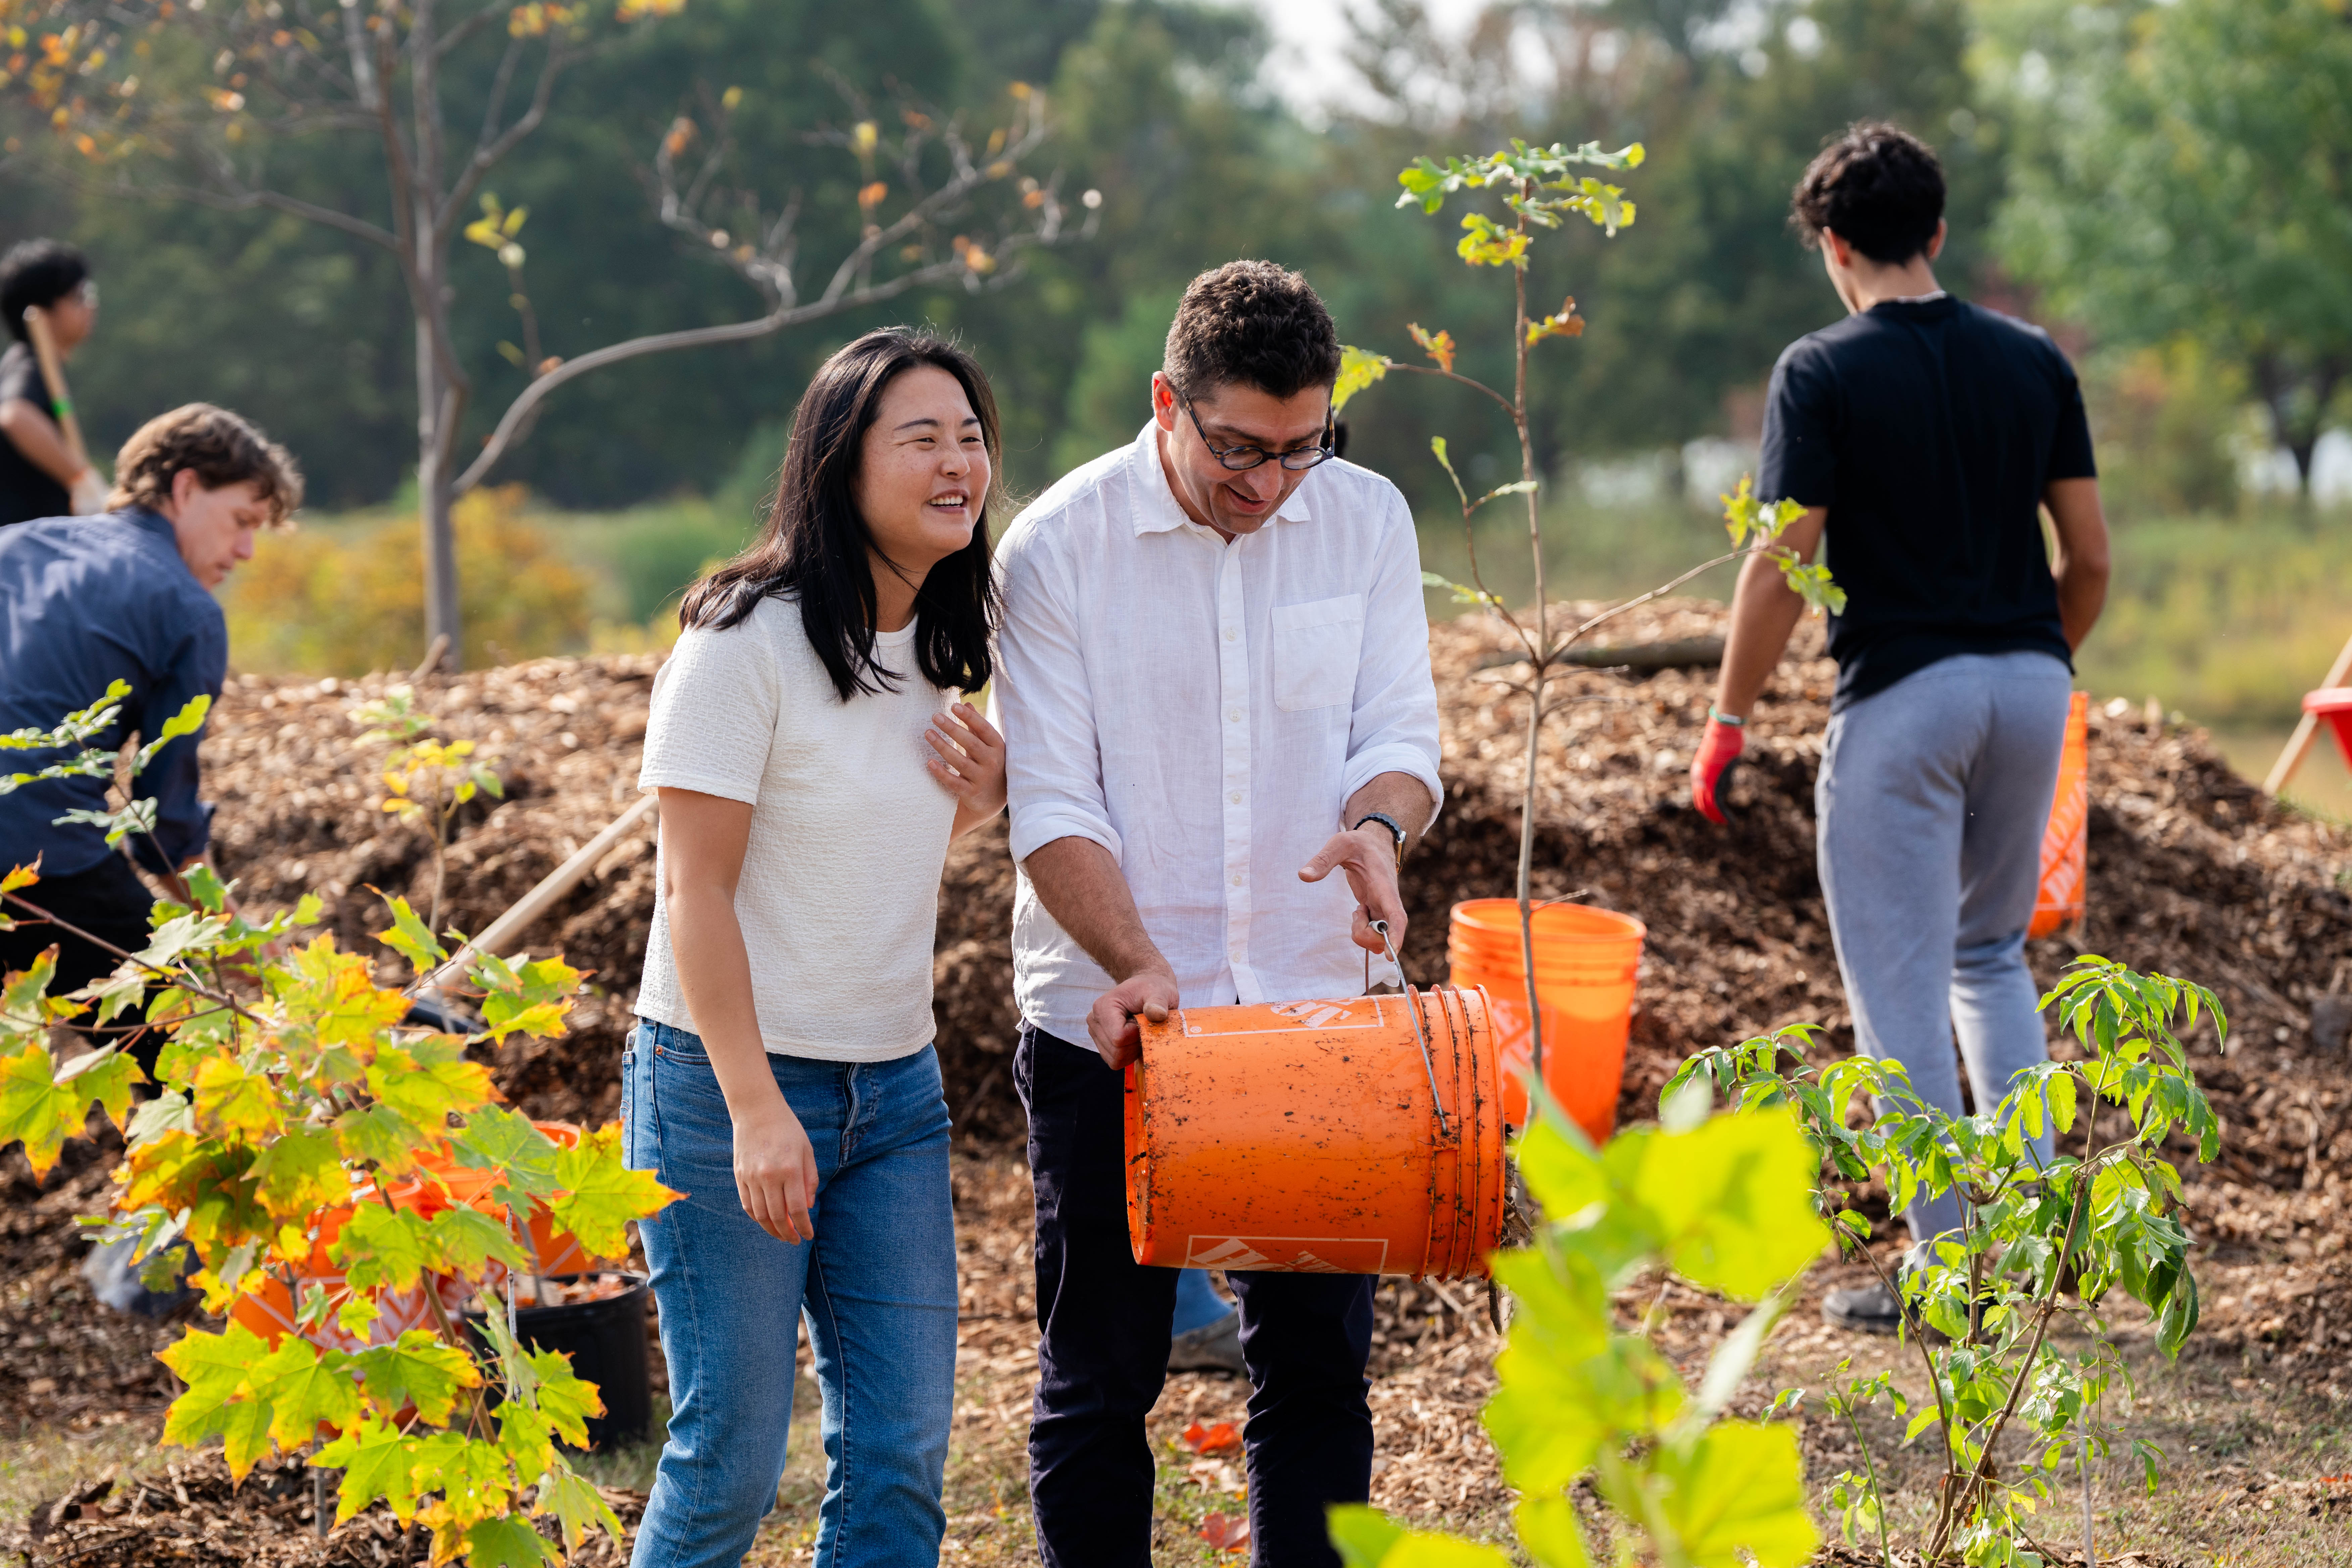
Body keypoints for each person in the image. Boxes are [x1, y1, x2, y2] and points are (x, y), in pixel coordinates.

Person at [995, 260, 1442, 1568]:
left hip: (1314, 1013)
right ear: (1166, 404)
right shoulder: (1060, 548)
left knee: (1314, 1378)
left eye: (1304, 448)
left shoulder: (1363, 520)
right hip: (1117, 1023)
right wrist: (1143, 964)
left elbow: (1401, 733)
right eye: (1239, 449)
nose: (1269, 484)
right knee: (1103, 1383)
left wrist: (1374, 830)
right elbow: (1052, 805)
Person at [1687, 123, 2111, 1333]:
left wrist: (1727, 718)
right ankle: (2026, 1261)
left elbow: (1781, 570)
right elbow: (2088, 556)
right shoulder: (2035, 363)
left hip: (1902, 698)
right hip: (2032, 685)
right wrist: (2042, 655)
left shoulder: (1819, 372)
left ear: (1833, 246)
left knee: (1897, 998)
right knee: (1990, 956)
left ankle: (1946, 1278)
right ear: (1935, 232)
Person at [624, 329, 1011, 1568]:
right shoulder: (741, 643)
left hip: (893, 1094)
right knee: (730, 1460)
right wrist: (753, 1108)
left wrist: (979, 807)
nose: (961, 460)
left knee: (900, 1458)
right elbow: (695, 892)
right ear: (842, 463)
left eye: (971, 434)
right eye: (924, 436)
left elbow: (856, 856)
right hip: (724, 1085)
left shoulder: (939, 646)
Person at [0, 403, 303, 1063]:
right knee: (203, 1067)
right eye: (242, 521)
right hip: (36, 859)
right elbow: (163, 832)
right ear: (186, 486)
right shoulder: (187, 609)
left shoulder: (14, 544)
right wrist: (235, 941)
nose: (247, 550)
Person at [0, 239, 106, 527]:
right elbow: (16, 416)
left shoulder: (44, 370)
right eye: (80, 296)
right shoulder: (29, 364)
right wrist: (81, 478)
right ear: (43, 311)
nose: (91, 306)